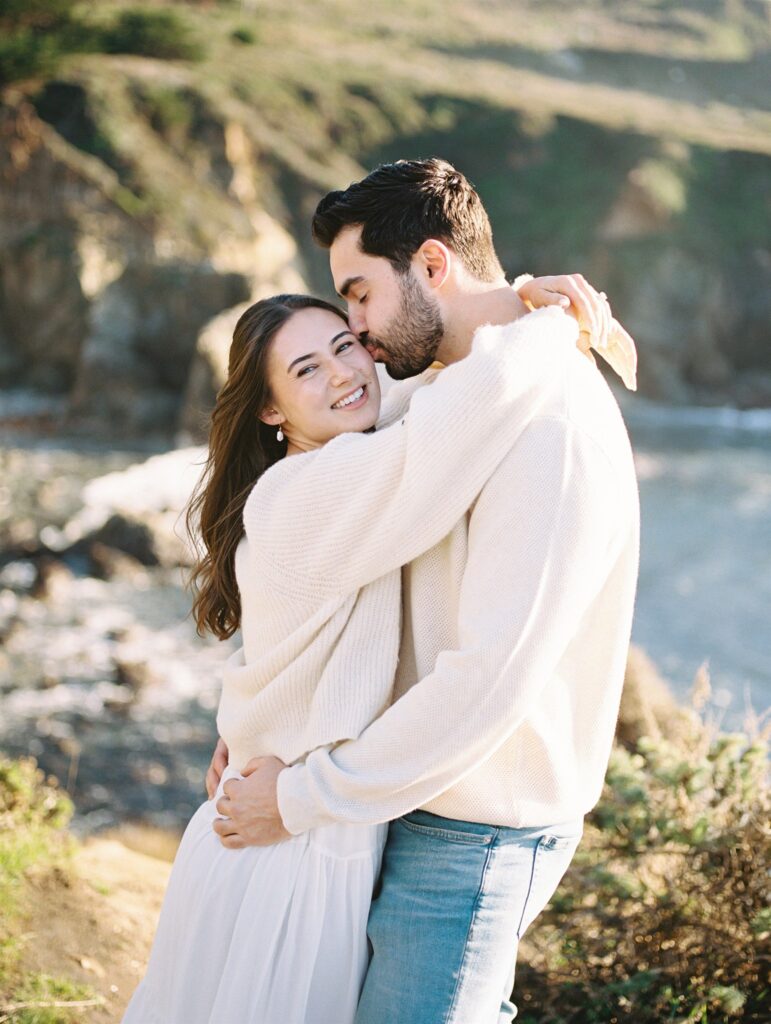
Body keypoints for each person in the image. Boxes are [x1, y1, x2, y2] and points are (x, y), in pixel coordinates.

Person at [208, 159, 640, 1024]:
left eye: (359, 295)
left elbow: (488, 681)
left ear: (432, 265)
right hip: (403, 798)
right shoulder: (447, 388)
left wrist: (297, 798)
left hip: (477, 829)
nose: (355, 332)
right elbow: (359, 503)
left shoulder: (548, 429)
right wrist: (271, 726)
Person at [122, 268, 614, 1023]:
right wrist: (543, 322)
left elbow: (430, 390)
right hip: (284, 844)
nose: (342, 374)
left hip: (311, 824)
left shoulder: (350, 451)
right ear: (269, 410)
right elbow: (463, 410)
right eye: (305, 369)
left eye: (346, 345)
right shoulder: (310, 490)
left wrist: (507, 297)